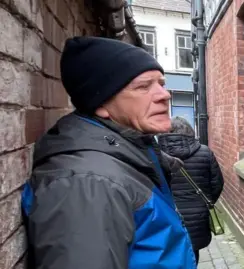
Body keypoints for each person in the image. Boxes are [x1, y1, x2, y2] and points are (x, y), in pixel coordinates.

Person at [21, 37, 197, 269]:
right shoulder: (87, 184)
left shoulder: (134, 149)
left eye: (161, 84)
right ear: (102, 104)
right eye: (143, 87)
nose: (165, 95)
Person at [156, 117, 224, 264]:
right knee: (193, 256)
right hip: (197, 216)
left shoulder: (154, 155)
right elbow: (217, 183)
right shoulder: (205, 153)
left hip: (166, 216)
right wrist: (204, 203)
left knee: (168, 256)